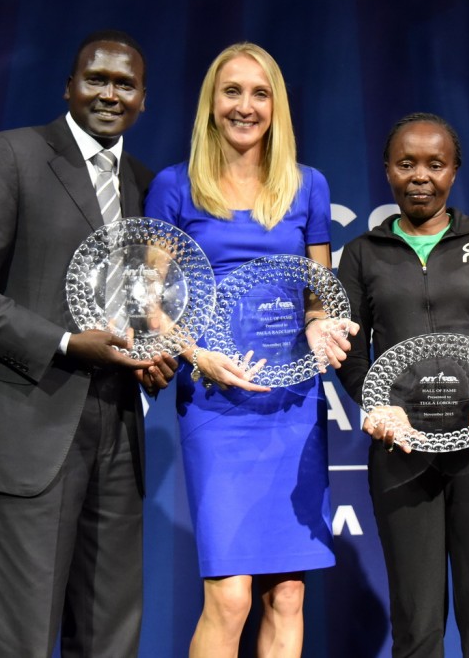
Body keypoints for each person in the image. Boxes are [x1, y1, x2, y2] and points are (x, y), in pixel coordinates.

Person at [0, 30, 177, 656]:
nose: (110, 94)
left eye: (126, 84)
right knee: (26, 633)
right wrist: (65, 342)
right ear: (69, 86)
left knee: (111, 629)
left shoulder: (146, 185)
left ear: (144, 99)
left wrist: (149, 354)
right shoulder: (12, 155)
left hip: (121, 423)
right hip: (37, 417)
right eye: (96, 79)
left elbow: (137, 300)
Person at [144, 42, 355, 658]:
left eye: (259, 93)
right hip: (215, 399)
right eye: (231, 91)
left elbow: (320, 293)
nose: (245, 106)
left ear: (276, 106)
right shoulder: (174, 186)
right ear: (211, 103)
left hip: (292, 401)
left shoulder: (308, 186)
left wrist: (320, 325)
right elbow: (151, 301)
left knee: (288, 593)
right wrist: (195, 356)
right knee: (231, 596)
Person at [335, 113, 469, 657]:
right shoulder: (361, 253)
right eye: (406, 164)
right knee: (417, 627)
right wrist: (377, 405)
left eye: (434, 164)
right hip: (400, 452)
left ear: (454, 171)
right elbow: (352, 357)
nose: (420, 176)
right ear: (387, 170)